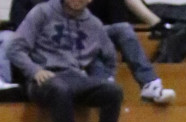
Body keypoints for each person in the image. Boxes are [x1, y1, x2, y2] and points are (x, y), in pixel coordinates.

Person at [9, 0, 175, 103]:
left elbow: (116, 19)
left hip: (90, 30)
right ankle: (101, 84)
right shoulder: (41, 11)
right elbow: (21, 29)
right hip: (51, 40)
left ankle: (149, 83)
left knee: (123, 29)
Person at [8, 0, 123, 122]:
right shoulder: (42, 12)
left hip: (76, 77)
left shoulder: (94, 24)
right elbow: (15, 49)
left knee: (114, 91)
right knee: (60, 89)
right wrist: (35, 70)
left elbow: (110, 57)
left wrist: (106, 77)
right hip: (44, 78)